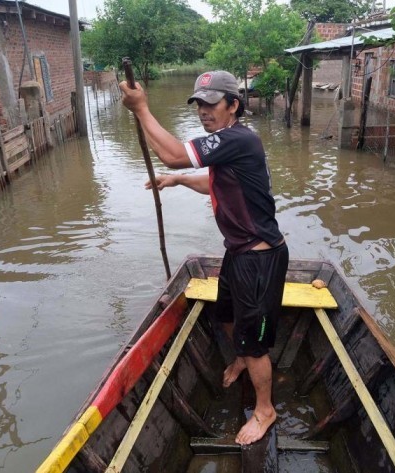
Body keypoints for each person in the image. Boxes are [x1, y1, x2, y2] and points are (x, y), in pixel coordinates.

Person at [119, 71, 288, 445]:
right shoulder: (228, 146)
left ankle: (265, 409)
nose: (203, 111)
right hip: (238, 253)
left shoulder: (239, 139)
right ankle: (242, 357)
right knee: (224, 315)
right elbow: (213, 182)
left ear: (233, 105)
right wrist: (176, 181)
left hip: (259, 259)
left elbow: (174, 154)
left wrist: (142, 108)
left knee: (255, 342)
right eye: (199, 104)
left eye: (212, 103)